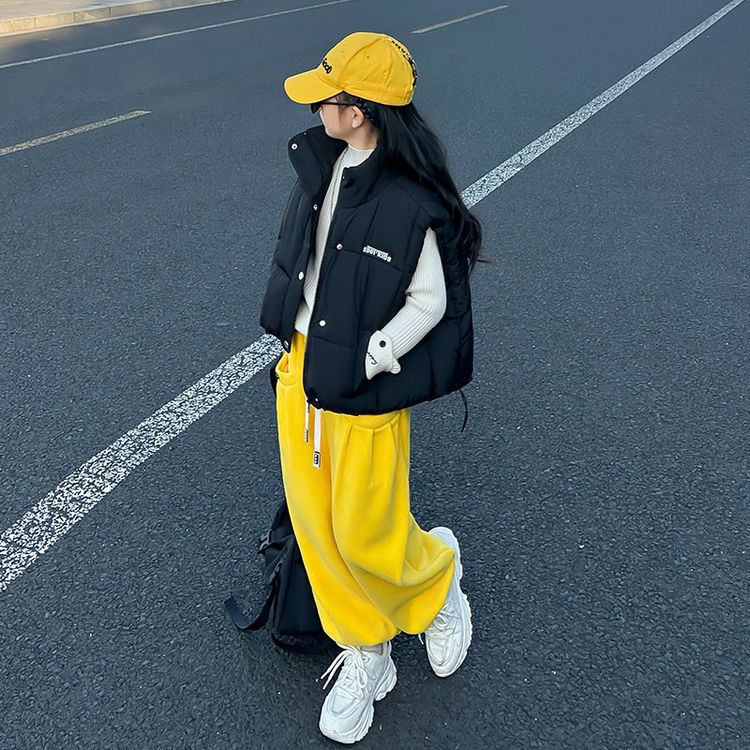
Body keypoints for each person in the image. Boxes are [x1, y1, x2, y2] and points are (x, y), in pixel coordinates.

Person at [258, 31, 483, 745]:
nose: (316, 108)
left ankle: (437, 584)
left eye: (326, 98)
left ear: (357, 112)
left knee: (366, 534)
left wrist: (373, 356)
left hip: (360, 387)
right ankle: (366, 649)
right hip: (300, 374)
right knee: (319, 531)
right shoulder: (321, 167)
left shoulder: (409, 200)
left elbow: (430, 301)